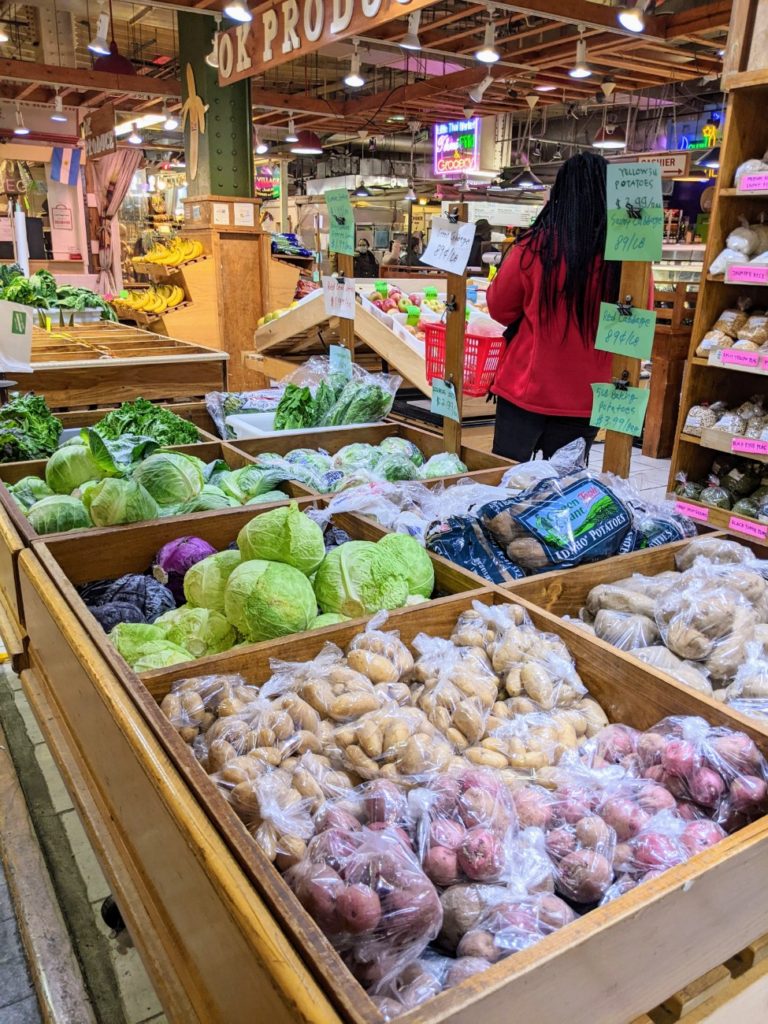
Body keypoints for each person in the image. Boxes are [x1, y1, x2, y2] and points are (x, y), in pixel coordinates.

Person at [486, 152, 622, 462]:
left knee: (507, 479)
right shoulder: (627, 260)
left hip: (526, 387)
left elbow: (499, 308)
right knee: (564, 492)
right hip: (588, 396)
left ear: (559, 192)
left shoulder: (534, 247)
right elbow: (640, 319)